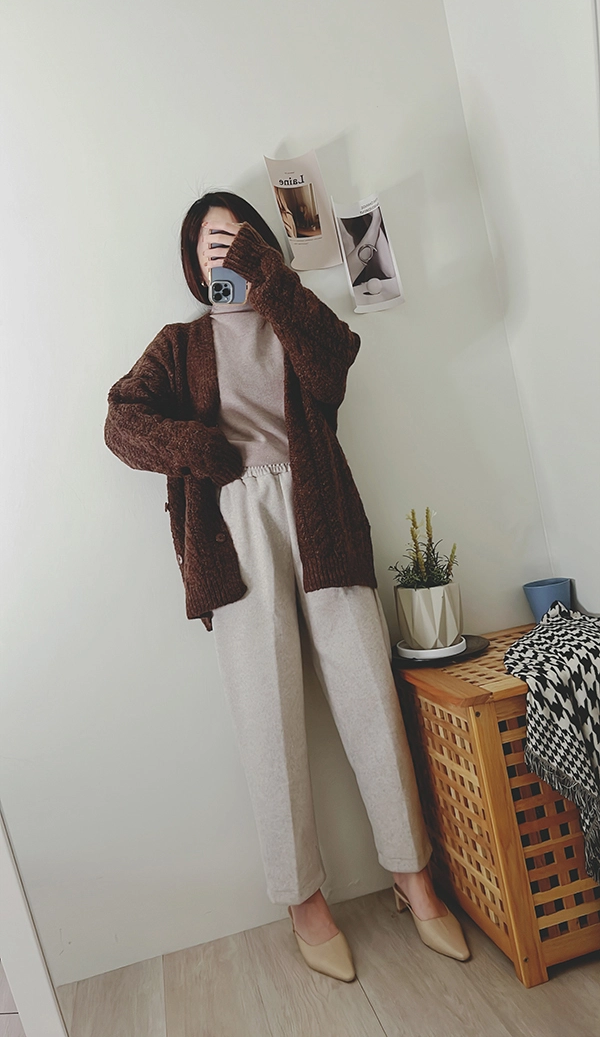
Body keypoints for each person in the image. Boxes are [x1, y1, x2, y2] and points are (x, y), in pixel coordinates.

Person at [104, 190, 469, 981]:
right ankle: (303, 900)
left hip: (319, 512)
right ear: (192, 262)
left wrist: (272, 281)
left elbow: (335, 368)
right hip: (233, 532)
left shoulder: (291, 316)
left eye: (235, 233)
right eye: (208, 240)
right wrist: (196, 448)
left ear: (259, 245)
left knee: (369, 695)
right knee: (266, 718)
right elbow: (121, 421)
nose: (221, 246)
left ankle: (412, 875)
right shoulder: (179, 344)